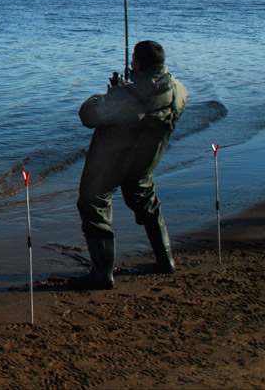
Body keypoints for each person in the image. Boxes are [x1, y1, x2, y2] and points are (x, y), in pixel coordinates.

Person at [72, 40, 187, 290]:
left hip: (115, 159)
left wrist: (109, 95)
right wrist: (123, 93)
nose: (131, 65)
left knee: (93, 202)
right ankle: (165, 260)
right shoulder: (179, 89)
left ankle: (103, 274)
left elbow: (88, 115)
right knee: (145, 199)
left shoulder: (128, 95)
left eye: (133, 61)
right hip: (146, 159)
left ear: (140, 63)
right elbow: (149, 113)